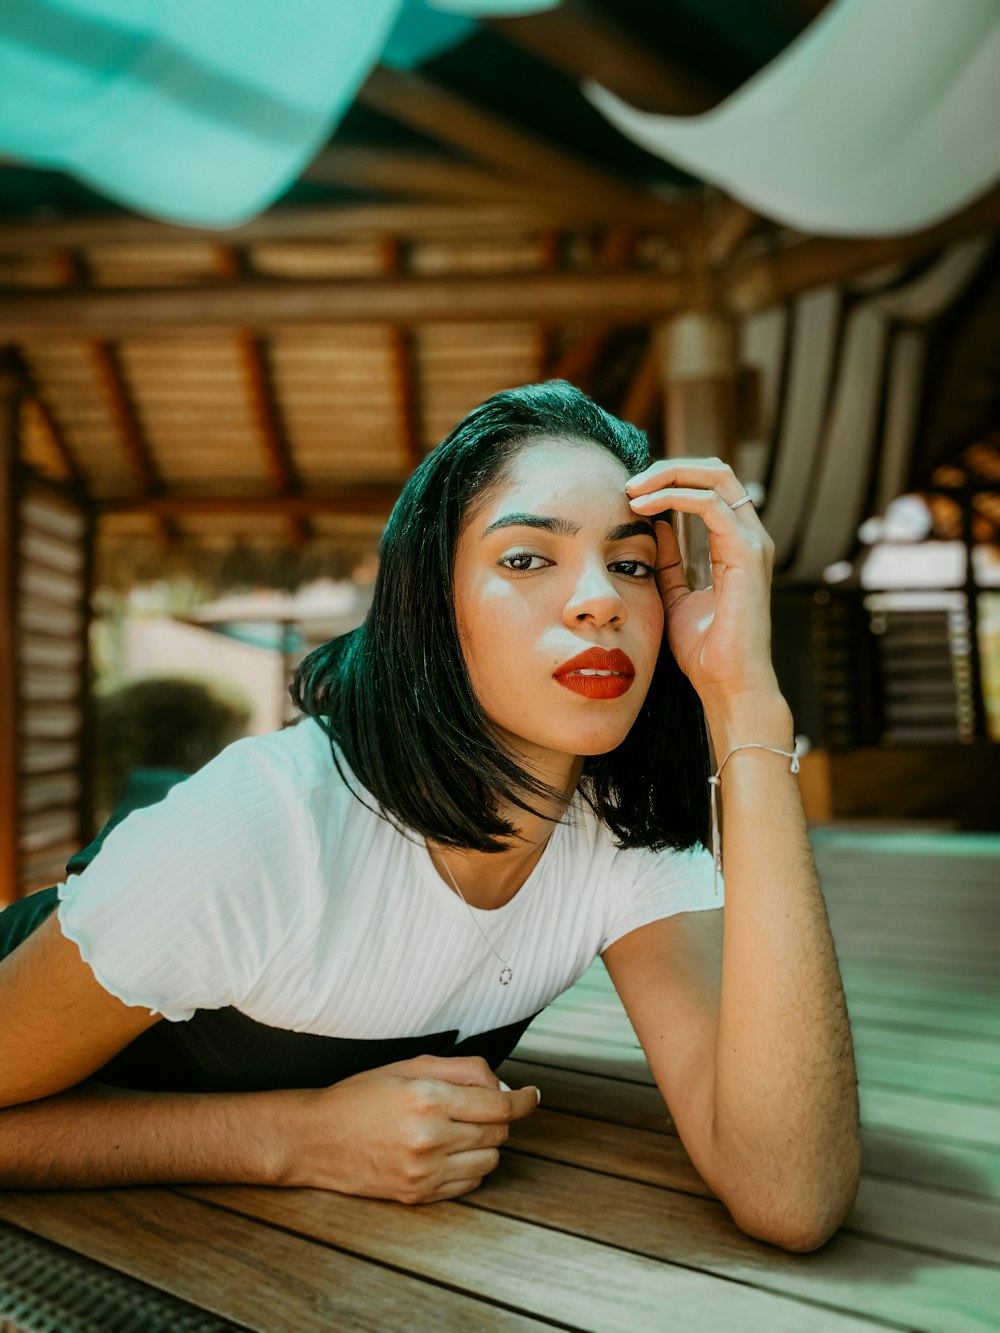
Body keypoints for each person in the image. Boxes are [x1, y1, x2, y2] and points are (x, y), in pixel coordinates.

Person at [0, 381, 860, 1249]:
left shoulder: (615, 828)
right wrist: (292, 1139)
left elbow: (789, 1191)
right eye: (527, 558)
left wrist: (747, 700)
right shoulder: (266, 830)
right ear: (432, 602)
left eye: (631, 564)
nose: (600, 600)